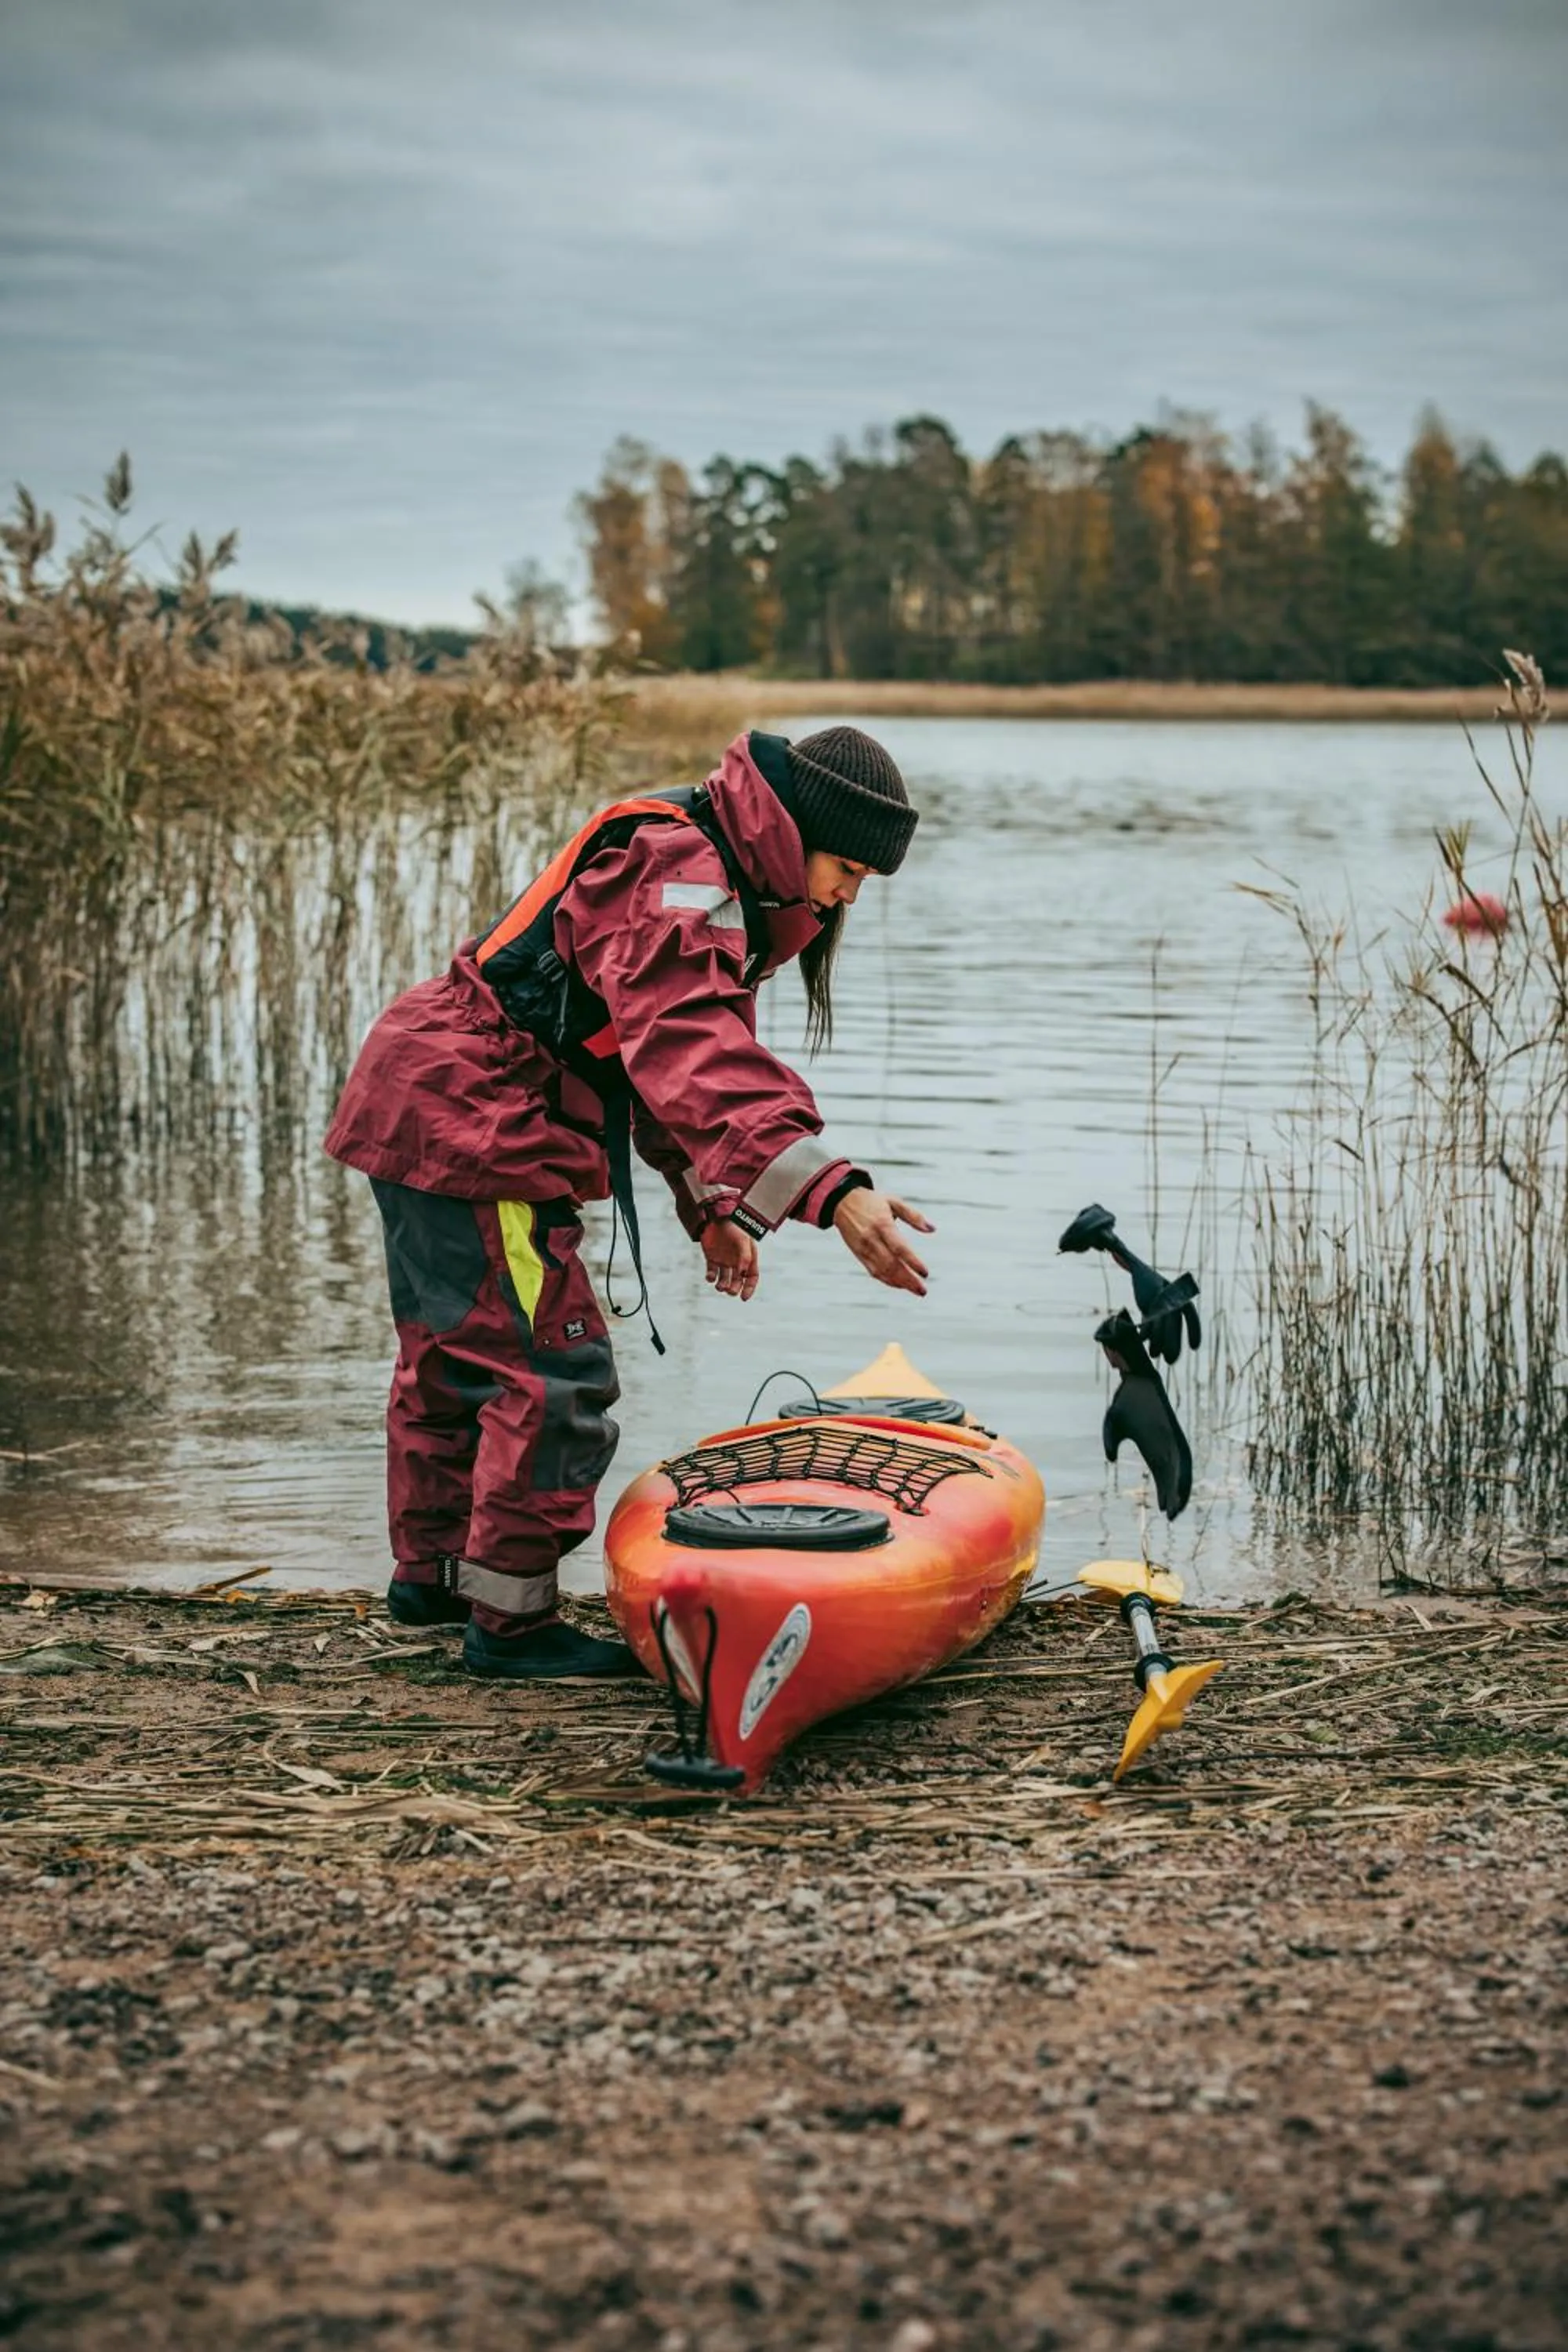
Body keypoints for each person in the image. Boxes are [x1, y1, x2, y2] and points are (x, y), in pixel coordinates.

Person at [323, 724, 933, 1678]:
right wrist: (834, 1189)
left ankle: (433, 1582)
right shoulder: (679, 874)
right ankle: (509, 1629)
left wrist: (712, 1210)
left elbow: (654, 1075)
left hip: (428, 1100)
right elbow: (690, 1048)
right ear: (793, 829)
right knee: (550, 1374)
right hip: (470, 1116)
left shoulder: (705, 865)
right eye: (847, 867)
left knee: (455, 1358)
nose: (848, 895)